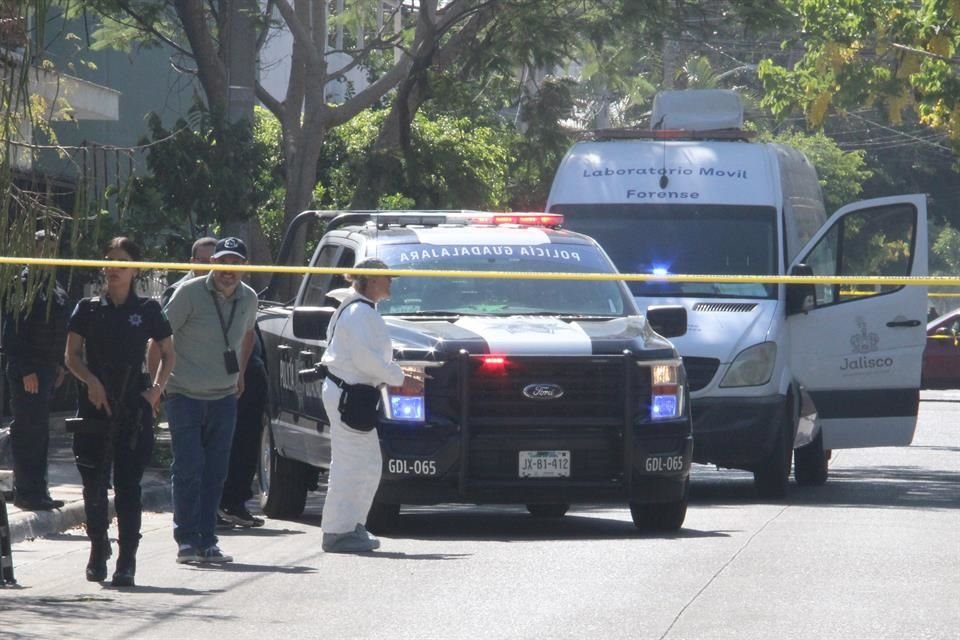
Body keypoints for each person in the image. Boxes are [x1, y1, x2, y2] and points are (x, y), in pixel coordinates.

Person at [64, 237, 175, 587]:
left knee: (128, 486)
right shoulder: (88, 308)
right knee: (93, 485)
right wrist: (90, 381)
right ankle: (98, 548)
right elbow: (71, 356)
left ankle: (127, 558)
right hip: (95, 403)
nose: (113, 268)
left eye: (122, 262)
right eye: (109, 260)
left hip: (132, 406)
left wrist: (155, 390)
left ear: (135, 269)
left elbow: (169, 353)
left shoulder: (148, 310)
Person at [160, 237, 258, 565]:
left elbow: (247, 335)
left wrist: (241, 375)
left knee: (216, 471)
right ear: (213, 261)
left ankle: (207, 540)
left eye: (235, 264)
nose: (227, 270)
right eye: (223, 262)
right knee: (188, 467)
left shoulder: (249, 298)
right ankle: (186, 541)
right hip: (184, 393)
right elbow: (159, 336)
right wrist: (157, 385)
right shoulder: (188, 292)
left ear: (244, 267)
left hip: (223, 396)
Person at [320, 258, 423, 553]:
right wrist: (400, 378)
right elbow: (366, 360)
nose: (390, 283)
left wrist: (397, 373)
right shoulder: (359, 313)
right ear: (373, 280)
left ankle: (351, 525)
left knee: (363, 464)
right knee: (352, 465)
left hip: (354, 394)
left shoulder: (360, 310)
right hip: (349, 395)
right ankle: (339, 531)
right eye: (386, 278)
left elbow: (368, 360)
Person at [2, 229, 70, 511]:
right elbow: (12, 331)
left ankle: (38, 490)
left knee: (40, 432)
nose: (48, 252)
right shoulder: (24, 282)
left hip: (46, 367)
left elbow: (58, 329)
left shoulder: (54, 284)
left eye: (52, 247)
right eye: (43, 247)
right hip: (27, 368)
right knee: (28, 431)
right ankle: (26, 492)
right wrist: (26, 369)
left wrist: (60, 364)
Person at [161, 237, 217, 306]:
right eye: (204, 261)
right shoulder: (176, 292)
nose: (209, 266)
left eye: (214, 262)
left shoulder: (225, 290)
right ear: (192, 262)